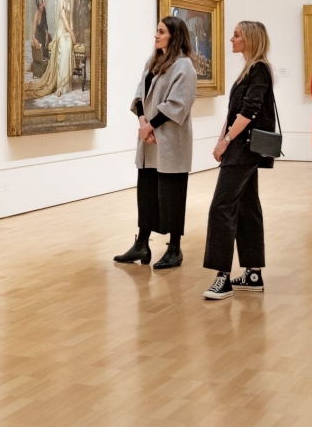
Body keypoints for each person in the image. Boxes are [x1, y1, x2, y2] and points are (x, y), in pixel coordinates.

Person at [114, 16, 197, 269]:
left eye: (161, 32)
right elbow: (140, 94)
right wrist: (143, 123)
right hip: (149, 139)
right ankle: (142, 244)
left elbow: (178, 104)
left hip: (170, 140)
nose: (156, 35)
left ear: (174, 35)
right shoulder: (153, 62)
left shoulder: (184, 66)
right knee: (147, 191)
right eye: (157, 31)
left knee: (172, 194)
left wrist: (150, 126)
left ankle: (175, 249)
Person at [203, 21, 275, 300]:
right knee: (247, 207)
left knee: (221, 207)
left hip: (244, 149)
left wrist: (227, 140)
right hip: (240, 146)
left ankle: (222, 276)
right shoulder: (249, 70)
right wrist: (222, 139)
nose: (231, 39)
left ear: (250, 40)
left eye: (236, 35)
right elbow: (234, 113)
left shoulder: (259, 70)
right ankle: (253, 273)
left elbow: (249, 112)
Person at [24, 0, 76, 100]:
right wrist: (70, 33)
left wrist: (72, 32)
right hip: (61, 30)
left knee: (69, 45)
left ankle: (66, 84)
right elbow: (64, 19)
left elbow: (70, 19)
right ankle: (60, 86)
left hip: (68, 31)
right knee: (64, 47)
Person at [30, 0, 52, 77]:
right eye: (40, 4)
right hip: (38, 37)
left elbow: (45, 23)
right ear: (38, 6)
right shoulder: (36, 15)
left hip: (43, 35)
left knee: (49, 38)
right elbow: (33, 35)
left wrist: (46, 34)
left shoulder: (44, 10)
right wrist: (35, 41)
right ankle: (33, 67)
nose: (42, 5)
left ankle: (50, 66)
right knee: (41, 52)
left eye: (42, 3)